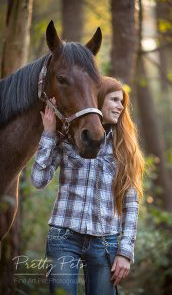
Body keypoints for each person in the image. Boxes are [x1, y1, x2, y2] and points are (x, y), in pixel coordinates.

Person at [31, 76, 144, 295]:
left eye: (122, 102)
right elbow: (38, 180)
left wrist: (125, 252)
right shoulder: (67, 139)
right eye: (114, 100)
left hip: (105, 242)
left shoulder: (124, 148)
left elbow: (131, 205)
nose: (120, 106)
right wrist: (48, 134)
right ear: (98, 99)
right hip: (64, 237)